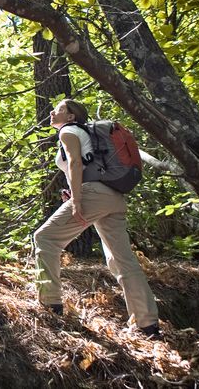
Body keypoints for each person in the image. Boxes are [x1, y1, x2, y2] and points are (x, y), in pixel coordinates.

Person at [34, 99, 162, 339]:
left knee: (45, 238)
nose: (52, 112)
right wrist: (76, 192)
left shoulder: (68, 131)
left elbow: (74, 163)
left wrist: (78, 200)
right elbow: (89, 164)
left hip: (93, 194)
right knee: (123, 260)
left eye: (59, 109)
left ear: (71, 117)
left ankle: (50, 304)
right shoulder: (87, 134)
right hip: (114, 197)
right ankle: (148, 325)